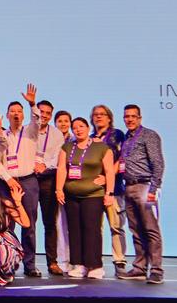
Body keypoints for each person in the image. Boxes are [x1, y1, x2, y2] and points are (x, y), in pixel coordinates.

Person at [55, 117, 115, 279]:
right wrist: (59, 189)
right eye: (75, 127)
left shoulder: (101, 147)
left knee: (92, 229)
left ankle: (95, 265)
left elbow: (109, 171)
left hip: (93, 195)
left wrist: (109, 192)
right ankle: (79, 264)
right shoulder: (67, 147)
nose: (78, 129)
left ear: (88, 128)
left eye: (81, 126)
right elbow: (62, 169)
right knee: (74, 229)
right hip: (71, 196)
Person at [0, 85, 43, 278]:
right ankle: (8, 261)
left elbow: (37, 119)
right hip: (7, 183)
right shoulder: (1, 136)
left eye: (19, 111)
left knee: (29, 224)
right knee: (7, 224)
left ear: (23, 115)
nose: (16, 114)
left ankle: (30, 264)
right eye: (12, 112)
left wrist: (32, 103)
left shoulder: (31, 132)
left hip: (28, 182)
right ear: (7, 116)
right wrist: (8, 180)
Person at [116, 105, 165, 284]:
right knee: (135, 230)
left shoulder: (149, 135)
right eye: (126, 117)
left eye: (133, 116)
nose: (129, 120)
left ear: (140, 118)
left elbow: (158, 163)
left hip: (145, 186)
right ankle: (139, 267)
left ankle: (157, 270)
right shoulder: (126, 139)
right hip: (128, 187)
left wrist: (154, 189)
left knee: (151, 229)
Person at [91, 104, 128, 274]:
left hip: (115, 190)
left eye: (102, 114)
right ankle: (95, 262)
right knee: (95, 228)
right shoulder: (90, 138)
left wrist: (107, 178)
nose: (98, 117)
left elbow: (121, 160)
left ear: (109, 117)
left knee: (116, 226)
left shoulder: (117, 135)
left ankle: (119, 261)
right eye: (95, 114)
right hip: (94, 191)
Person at [34, 99, 67, 276]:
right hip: (30, 179)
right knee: (28, 224)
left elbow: (57, 158)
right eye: (41, 112)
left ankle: (52, 262)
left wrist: (43, 165)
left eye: (47, 113)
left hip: (48, 179)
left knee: (49, 223)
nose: (44, 115)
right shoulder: (27, 130)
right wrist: (33, 164)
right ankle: (28, 263)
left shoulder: (57, 134)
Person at [54, 110, 74, 270]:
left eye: (66, 121)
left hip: (74, 187)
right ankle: (63, 260)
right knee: (59, 224)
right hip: (57, 187)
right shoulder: (53, 140)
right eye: (60, 121)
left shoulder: (76, 141)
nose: (63, 124)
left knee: (73, 225)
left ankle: (76, 259)